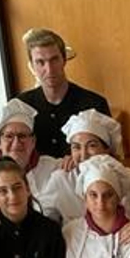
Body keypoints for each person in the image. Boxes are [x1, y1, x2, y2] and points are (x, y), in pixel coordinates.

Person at [0, 98, 66, 254]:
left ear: (33, 141)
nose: (16, 143)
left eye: (22, 136)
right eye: (9, 136)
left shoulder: (54, 168)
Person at [34, 110, 130, 225]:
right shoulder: (61, 180)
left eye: (91, 145)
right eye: (76, 147)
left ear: (107, 149)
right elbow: (42, 221)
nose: (83, 155)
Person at [14, 27, 111, 159]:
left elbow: (108, 156)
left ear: (64, 60)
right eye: (40, 62)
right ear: (32, 66)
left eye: (54, 60)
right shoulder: (21, 106)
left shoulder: (94, 104)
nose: (49, 69)